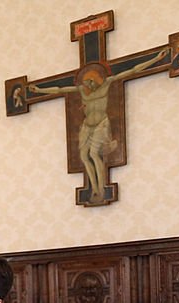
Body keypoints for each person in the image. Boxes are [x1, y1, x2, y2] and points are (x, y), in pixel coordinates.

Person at [29, 50, 167, 204]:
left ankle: (100, 189)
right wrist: (39, 90)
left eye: (91, 82)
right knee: (83, 156)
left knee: (94, 154)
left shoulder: (107, 83)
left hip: (101, 123)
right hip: (88, 126)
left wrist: (156, 58)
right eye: (86, 82)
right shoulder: (82, 90)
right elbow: (60, 90)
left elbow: (132, 70)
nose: (89, 85)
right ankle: (93, 188)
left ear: (97, 79)